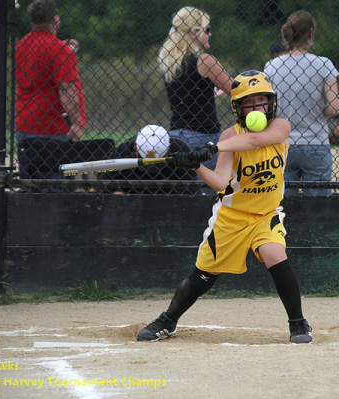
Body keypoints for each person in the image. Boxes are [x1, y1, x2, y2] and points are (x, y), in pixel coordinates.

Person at [136, 71, 312, 344]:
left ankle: (299, 324)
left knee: (274, 254)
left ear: (271, 103)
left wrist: (212, 146)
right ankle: (168, 320)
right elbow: (220, 182)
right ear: (237, 107)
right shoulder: (230, 136)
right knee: (204, 276)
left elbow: (254, 141)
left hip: (266, 214)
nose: (256, 108)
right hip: (232, 217)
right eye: (249, 102)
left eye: (261, 101)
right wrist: (196, 165)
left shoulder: (280, 128)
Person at [264, 10, 339, 196]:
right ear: (311, 33)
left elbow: (267, 107)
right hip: (315, 142)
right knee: (317, 208)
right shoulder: (323, 64)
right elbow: (334, 108)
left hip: (281, 142)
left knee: (281, 204)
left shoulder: (271, 66)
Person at [159, 6, 234, 172]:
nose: (210, 34)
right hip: (203, 135)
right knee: (209, 189)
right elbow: (235, 89)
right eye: (207, 30)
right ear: (194, 32)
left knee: (186, 189)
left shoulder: (170, 63)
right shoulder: (205, 61)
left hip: (176, 136)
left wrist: (208, 95)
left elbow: (187, 95)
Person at [15, 0, 85, 149]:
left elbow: (40, 57)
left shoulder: (21, 46)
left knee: (28, 171)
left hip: (24, 124)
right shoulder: (60, 51)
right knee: (54, 171)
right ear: (55, 20)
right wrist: (77, 123)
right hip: (52, 127)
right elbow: (66, 90)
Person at [99, 125, 197, 194]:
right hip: (132, 199)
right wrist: (117, 192)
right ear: (136, 147)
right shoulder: (124, 151)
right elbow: (102, 183)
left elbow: (192, 189)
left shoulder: (181, 150)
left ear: (168, 149)